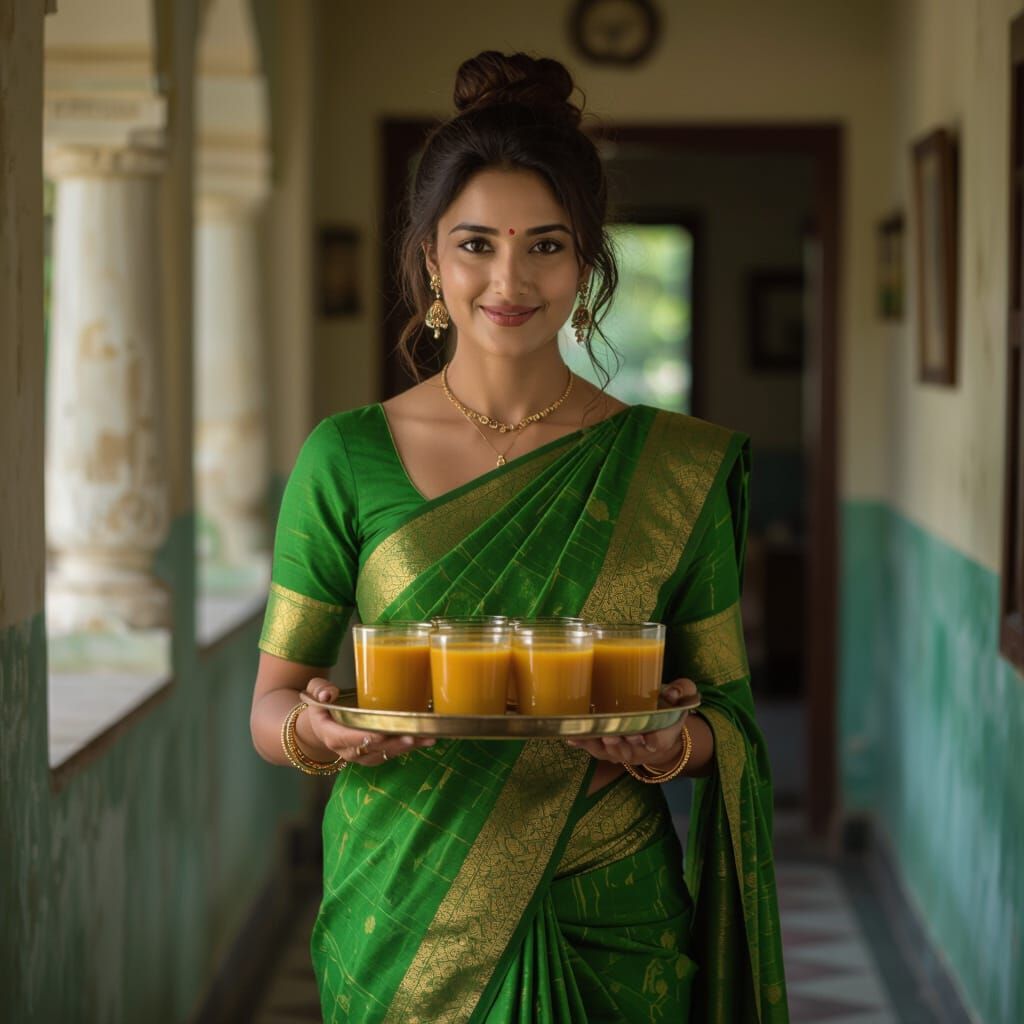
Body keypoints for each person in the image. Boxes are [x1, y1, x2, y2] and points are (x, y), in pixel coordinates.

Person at [250, 50, 788, 1023]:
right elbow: (271, 704)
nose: (509, 279)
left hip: (608, 903)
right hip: (402, 905)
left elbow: (728, 719)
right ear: (429, 258)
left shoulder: (671, 469)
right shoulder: (346, 456)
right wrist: (315, 730)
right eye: (474, 244)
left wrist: (675, 744)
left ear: (586, 261)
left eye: (545, 245)